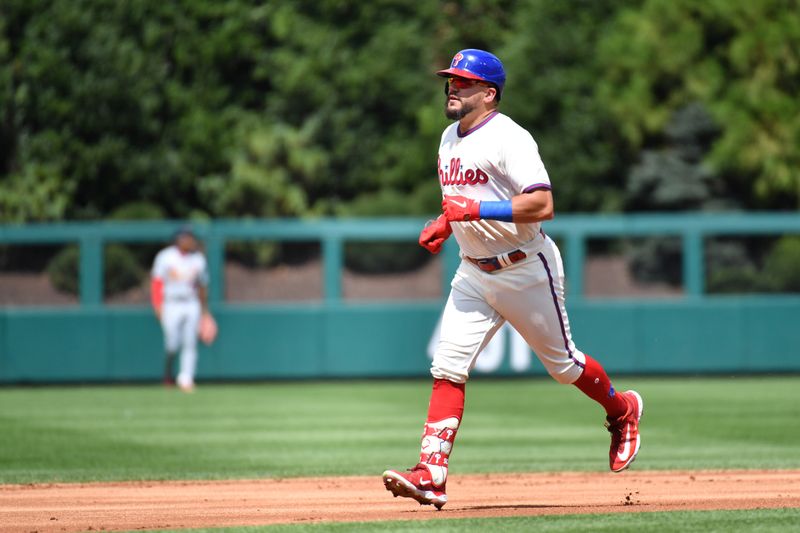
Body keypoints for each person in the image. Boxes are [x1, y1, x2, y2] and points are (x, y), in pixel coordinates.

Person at [382, 49, 644, 509]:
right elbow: (464, 200)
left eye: (463, 82)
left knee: (564, 367)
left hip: (525, 266)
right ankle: (431, 474)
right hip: (473, 272)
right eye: (451, 80)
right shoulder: (447, 137)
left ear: (489, 93)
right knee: (447, 366)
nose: (453, 88)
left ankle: (622, 409)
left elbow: (542, 205)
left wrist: (475, 211)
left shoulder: (510, 138)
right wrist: (447, 223)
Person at [150, 226, 215, 393]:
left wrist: (205, 311)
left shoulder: (198, 259)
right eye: (186, 238)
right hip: (171, 303)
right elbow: (157, 283)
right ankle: (168, 372)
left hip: (191, 303)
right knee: (172, 343)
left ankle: (186, 378)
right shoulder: (165, 257)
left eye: (191, 238)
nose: (190, 241)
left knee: (190, 342)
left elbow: (202, 286)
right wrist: (157, 305)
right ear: (178, 239)